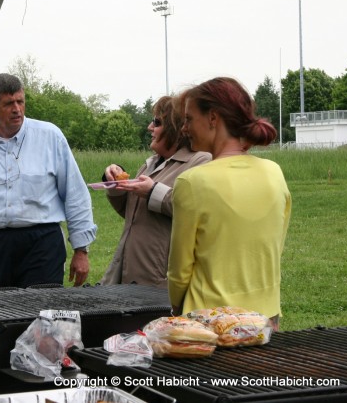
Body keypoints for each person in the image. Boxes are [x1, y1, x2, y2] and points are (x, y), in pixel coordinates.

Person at [0, 73, 97, 293]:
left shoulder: (50, 137)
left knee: (41, 315)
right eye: (9, 104)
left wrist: (81, 250)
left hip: (42, 243)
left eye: (20, 101)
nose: (17, 109)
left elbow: (75, 194)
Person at [168, 77, 292, 330]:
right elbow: (274, 246)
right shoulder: (274, 172)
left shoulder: (192, 181)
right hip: (266, 318)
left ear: (213, 118)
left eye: (189, 119)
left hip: (209, 321)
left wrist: (176, 306)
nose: (184, 128)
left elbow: (180, 270)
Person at [99, 96, 211, 287]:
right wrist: (115, 185)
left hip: (160, 279)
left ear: (176, 128)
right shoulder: (151, 163)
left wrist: (152, 191)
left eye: (157, 122)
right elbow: (133, 214)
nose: (150, 127)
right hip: (128, 272)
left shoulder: (201, 161)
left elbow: (196, 209)